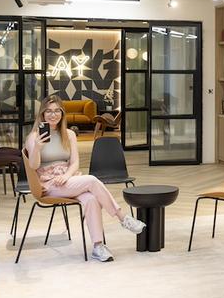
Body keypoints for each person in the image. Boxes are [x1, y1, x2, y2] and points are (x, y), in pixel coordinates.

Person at [25, 95, 145, 262]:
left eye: (57, 111)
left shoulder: (69, 134)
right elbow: (33, 165)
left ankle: (98, 246)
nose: (53, 115)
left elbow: (74, 163)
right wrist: (37, 148)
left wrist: (66, 175)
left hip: (68, 179)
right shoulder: (33, 137)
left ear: (62, 113)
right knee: (91, 180)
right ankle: (123, 217)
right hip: (49, 183)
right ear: (42, 114)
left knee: (91, 199)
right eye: (49, 111)